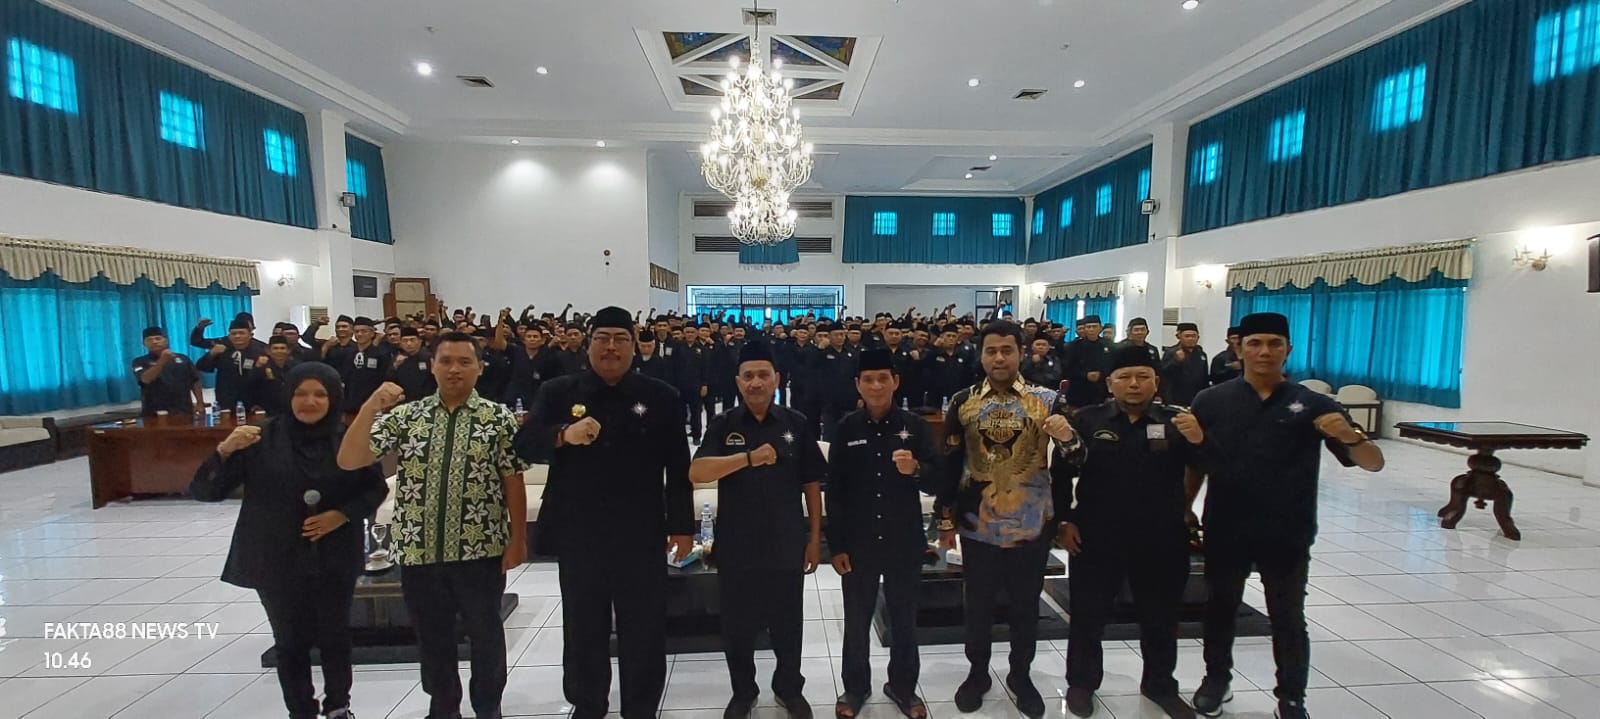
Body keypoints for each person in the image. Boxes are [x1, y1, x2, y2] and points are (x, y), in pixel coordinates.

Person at [1183, 313, 1385, 719]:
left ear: (1288, 350)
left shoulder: (1313, 404)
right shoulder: (1211, 400)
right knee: (1220, 608)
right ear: (1239, 348)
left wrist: (1350, 435)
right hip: (1226, 524)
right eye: (1255, 343)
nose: (1265, 352)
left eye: (1275, 343)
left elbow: (1373, 463)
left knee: (1288, 616)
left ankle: (1291, 697)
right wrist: (1184, 505)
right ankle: (1216, 680)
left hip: (1288, 528)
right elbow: (1197, 462)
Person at [338, 332, 531, 719]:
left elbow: (513, 481)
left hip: (480, 549)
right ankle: (443, 706)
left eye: (464, 362)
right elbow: (350, 459)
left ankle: (488, 706)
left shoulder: (498, 419)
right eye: (446, 361)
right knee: (432, 638)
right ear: (433, 366)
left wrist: (518, 539)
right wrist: (371, 405)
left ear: (479, 368)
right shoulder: (408, 416)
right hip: (418, 550)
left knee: (486, 634)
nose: (455, 369)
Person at [513, 307, 694, 719]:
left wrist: (682, 528)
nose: (611, 347)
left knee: (643, 628)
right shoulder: (559, 392)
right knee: (583, 626)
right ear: (588, 342)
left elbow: (678, 467)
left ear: (634, 345)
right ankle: (588, 704)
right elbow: (524, 444)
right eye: (602, 338)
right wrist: (563, 435)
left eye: (620, 339)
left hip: (641, 531)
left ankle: (641, 707)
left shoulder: (661, 396)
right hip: (580, 532)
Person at [191, 363, 388, 719]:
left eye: (319, 394)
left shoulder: (349, 438)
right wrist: (224, 450)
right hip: (275, 555)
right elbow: (206, 491)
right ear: (287, 395)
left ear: (334, 397)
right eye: (300, 393)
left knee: (335, 636)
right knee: (290, 640)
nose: (309, 402)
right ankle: (300, 710)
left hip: (334, 554)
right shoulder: (259, 439)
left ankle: (338, 706)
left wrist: (341, 515)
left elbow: (375, 489)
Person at [934, 321, 1077, 719]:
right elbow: (950, 464)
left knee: (1025, 608)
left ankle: (1021, 675)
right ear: (981, 355)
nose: (999, 358)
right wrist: (944, 518)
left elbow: (1076, 461)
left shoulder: (1047, 400)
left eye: (1007, 350)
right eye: (991, 351)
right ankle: (977, 673)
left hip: (1031, 526)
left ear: (1021, 353)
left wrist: (1068, 438)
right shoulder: (962, 402)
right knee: (976, 607)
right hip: (977, 525)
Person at [1058, 345, 1200, 719]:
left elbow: (1208, 465)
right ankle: (1082, 683)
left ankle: (1160, 684)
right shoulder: (1087, 420)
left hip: (1161, 536)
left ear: (1156, 381)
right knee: (1088, 614)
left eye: (1142, 376)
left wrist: (1200, 440)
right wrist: (1063, 520)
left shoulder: (1178, 421)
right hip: (1096, 534)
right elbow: (1060, 473)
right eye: (1124, 377)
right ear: (1110, 383)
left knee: (1161, 616)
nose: (1133, 384)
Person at [690, 341, 825, 719]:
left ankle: (788, 688)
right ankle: (743, 692)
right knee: (737, 627)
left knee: (788, 624)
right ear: (737, 382)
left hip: (786, 541)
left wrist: (814, 538)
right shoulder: (724, 425)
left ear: (777, 379)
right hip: (736, 544)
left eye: (763, 375)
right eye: (748, 376)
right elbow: (697, 472)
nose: (756, 382)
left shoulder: (796, 423)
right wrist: (748, 458)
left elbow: (812, 483)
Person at [827, 349, 941, 719]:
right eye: (868, 379)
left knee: (904, 620)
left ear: (896, 382)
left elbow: (939, 480)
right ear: (857, 385)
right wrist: (836, 545)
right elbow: (835, 491)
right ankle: (855, 687)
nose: (876, 386)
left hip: (903, 541)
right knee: (856, 621)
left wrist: (917, 469)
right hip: (858, 542)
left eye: (883, 378)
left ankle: (903, 687)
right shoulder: (845, 428)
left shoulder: (915, 427)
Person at [132, 326, 204, 416]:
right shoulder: (139, 361)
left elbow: (195, 381)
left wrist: (200, 403)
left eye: (158, 338)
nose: (154, 342)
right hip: (154, 412)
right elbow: (145, 380)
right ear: (144, 344)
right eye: (149, 340)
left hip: (183, 409)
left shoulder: (183, 359)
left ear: (166, 341)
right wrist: (162, 361)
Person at [196, 318, 265, 411]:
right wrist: (211, 354)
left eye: (241, 333)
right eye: (233, 333)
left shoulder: (260, 350)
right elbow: (202, 367)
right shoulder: (221, 348)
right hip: (226, 400)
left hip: (254, 400)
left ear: (250, 335)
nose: (237, 336)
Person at [338, 317, 390, 413]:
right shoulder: (348, 354)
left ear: (372, 333)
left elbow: (384, 378)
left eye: (363, 331)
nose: (359, 334)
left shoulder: (380, 354)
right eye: (356, 331)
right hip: (350, 403)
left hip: (372, 403)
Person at [1060, 316, 1109, 411]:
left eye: (1094, 327)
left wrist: (1101, 375)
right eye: (1088, 327)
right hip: (1078, 393)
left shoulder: (1109, 346)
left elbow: (1112, 368)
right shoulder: (1072, 347)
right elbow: (1066, 369)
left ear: (1100, 328)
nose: (1091, 330)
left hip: (1101, 393)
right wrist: (1085, 375)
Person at [1159, 323, 1209, 407]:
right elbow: (1163, 374)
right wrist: (1176, 361)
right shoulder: (1171, 352)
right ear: (1179, 337)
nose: (1191, 339)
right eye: (1187, 336)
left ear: (1198, 337)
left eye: (1193, 336)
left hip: (1196, 399)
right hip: (1174, 399)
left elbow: (1204, 378)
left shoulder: (1201, 354)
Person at [248, 336, 299, 416]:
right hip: (268, 410)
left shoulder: (296, 366)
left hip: (291, 408)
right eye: (275, 348)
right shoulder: (261, 366)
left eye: (282, 348)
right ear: (268, 351)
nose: (279, 351)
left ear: (288, 350)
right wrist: (257, 368)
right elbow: (250, 384)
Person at [388, 327, 436, 404]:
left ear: (419, 341)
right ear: (400, 343)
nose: (409, 344)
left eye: (412, 340)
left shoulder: (429, 358)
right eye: (405, 341)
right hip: (405, 403)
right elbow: (389, 381)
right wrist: (395, 366)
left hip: (427, 401)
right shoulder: (397, 359)